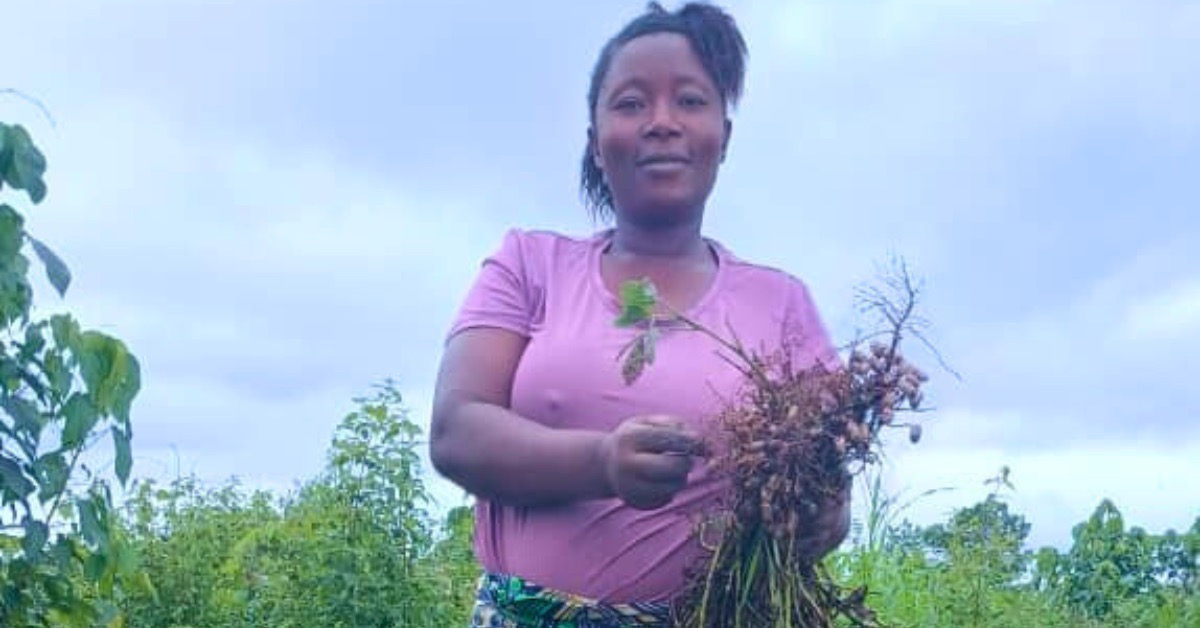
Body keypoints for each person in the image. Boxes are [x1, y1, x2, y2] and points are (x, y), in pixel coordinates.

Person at [430, 2, 850, 625]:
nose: (661, 123)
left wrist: (823, 515)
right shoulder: (529, 264)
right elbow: (455, 431)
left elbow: (829, 484)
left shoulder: (782, 305)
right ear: (596, 144)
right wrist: (600, 462)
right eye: (630, 104)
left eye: (689, 101)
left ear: (724, 139)